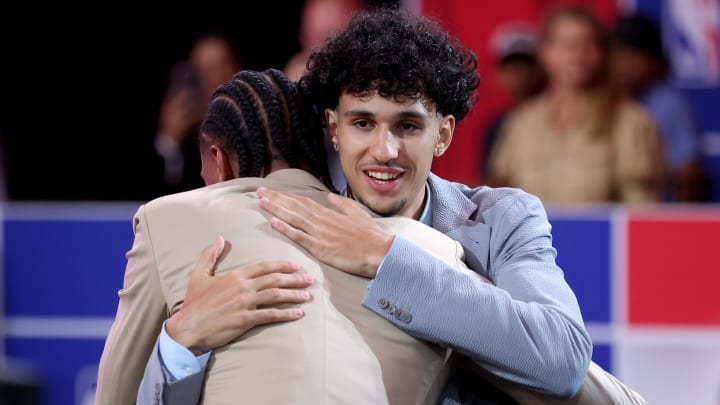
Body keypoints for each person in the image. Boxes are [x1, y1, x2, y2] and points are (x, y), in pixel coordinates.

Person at [251, 5, 593, 401]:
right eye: (363, 123)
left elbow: (561, 359)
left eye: (407, 126)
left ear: (443, 134)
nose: (384, 150)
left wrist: (384, 257)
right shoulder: (297, 225)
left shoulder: (502, 219)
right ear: (334, 130)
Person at [96, 68, 493, 405]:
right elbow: (546, 375)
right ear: (329, 139)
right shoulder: (436, 249)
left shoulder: (167, 218)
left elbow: (116, 396)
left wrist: (180, 340)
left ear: (217, 159)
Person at [487, 6, 666, 205]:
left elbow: (641, 211)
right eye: (565, 44)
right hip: (530, 236)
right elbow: (501, 193)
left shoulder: (631, 122)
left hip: (598, 236)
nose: (576, 53)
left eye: (587, 44)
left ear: (602, 53)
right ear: (545, 52)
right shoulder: (522, 122)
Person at [609, 13, 708, 202]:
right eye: (618, 56)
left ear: (656, 62)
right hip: (600, 213)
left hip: (656, 211)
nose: (624, 66)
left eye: (634, 56)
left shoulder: (667, 102)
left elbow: (689, 174)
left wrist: (643, 170)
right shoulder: (599, 100)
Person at [154, 32, 244, 196]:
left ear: (236, 68)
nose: (211, 77)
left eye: (220, 66)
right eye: (202, 69)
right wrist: (170, 141)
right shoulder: (186, 137)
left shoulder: (250, 127)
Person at [481, 22, 546, 181]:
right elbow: (492, 179)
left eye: (526, 65)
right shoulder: (497, 126)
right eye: (511, 66)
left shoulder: (557, 117)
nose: (519, 73)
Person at [283, 0, 365, 81]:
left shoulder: (366, 78)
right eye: (318, 38)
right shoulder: (296, 75)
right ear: (302, 38)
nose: (324, 50)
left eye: (334, 40)